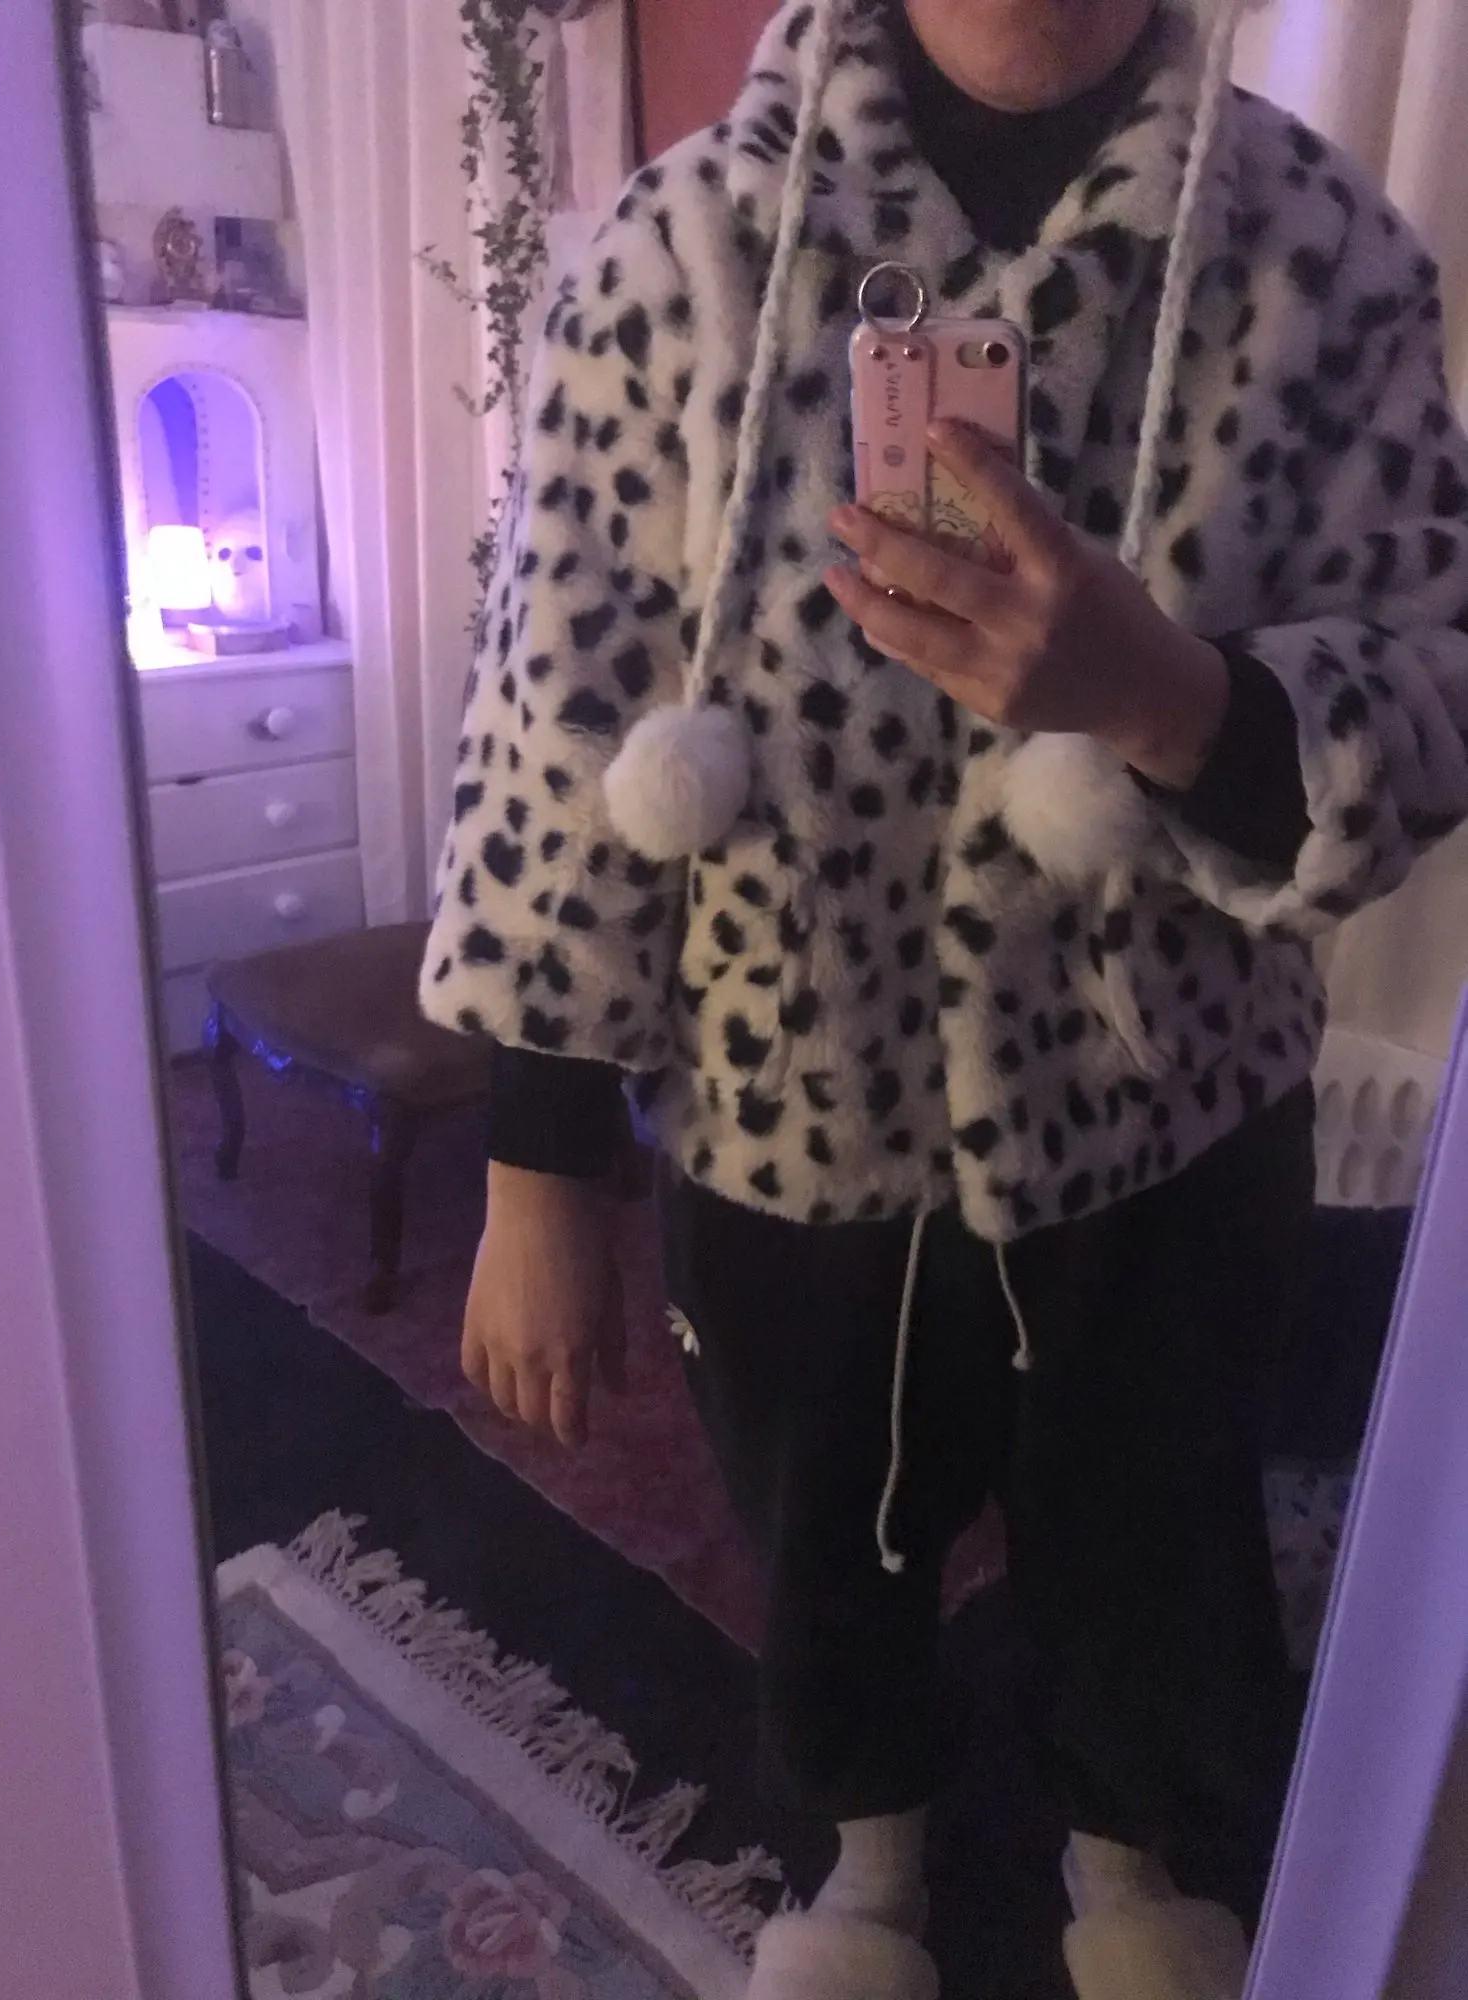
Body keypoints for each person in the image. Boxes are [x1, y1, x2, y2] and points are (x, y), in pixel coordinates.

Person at [420, 1, 1468, 1994]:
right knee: (825, 1534)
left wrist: (1172, 701)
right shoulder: (673, 250)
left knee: (1156, 1531)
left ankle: (1132, 1856)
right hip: (787, 1096)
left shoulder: (1330, 258)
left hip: (1173, 1104)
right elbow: (555, 701)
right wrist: (537, 1155)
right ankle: (866, 1864)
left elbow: (1439, 682)